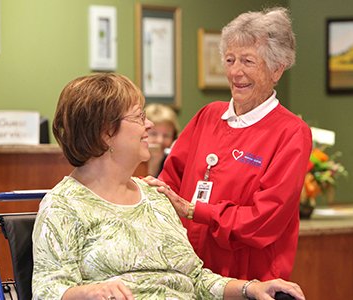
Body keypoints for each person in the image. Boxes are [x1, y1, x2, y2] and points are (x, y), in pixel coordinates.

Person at [31, 73, 306, 300]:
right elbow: (47, 291)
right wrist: (88, 293)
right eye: (139, 117)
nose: (149, 125)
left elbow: (196, 279)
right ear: (106, 133)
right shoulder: (64, 205)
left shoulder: (155, 197)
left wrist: (250, 288)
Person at [144, 7, 312, 281]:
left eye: (248, 61)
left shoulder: (291, 132)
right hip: (190, 274)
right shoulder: (208, 116)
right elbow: (170, 179)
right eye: (230, 60)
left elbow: (264, 220)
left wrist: (195, 211)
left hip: (249, 281)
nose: (235, 72)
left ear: (277, 69)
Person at [144, 103, 180, 176]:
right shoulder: (131, 158)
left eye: (166, 135)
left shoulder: (174, 161)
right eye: (153, 134)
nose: (160, 140)